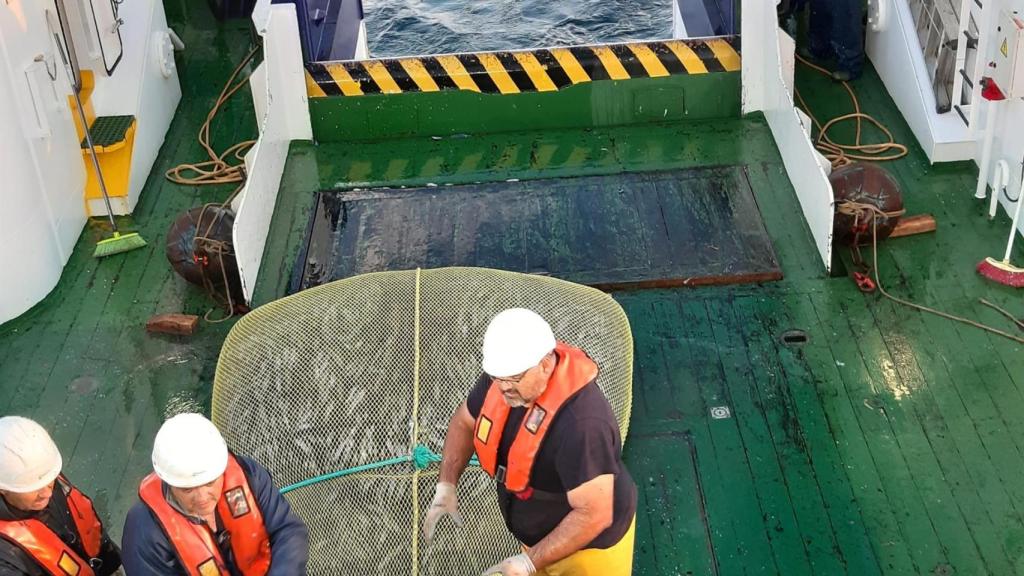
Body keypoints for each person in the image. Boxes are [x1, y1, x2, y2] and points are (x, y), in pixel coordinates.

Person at [424, 308, 637, 576]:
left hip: (590, 550)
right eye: (497, 377)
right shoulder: (504, 379)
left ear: (545, 365)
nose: (503, 388)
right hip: (536, 540)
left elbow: (594, 513)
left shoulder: (583, 425)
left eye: (514, 378)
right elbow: (463, 422)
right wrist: (446, 486)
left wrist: (528, 563)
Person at [121, 413, 309, 575]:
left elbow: (287, 531)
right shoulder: (144, 533)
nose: (203, 498)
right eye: (187, 489)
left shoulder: (250, 476)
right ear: (168, 482)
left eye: (210, 482)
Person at [0, 416, 122, 576]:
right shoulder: (6, 559)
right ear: (3, 489)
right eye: (34, 488)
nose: (48, 493)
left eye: (50, 480)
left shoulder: (39, 469)